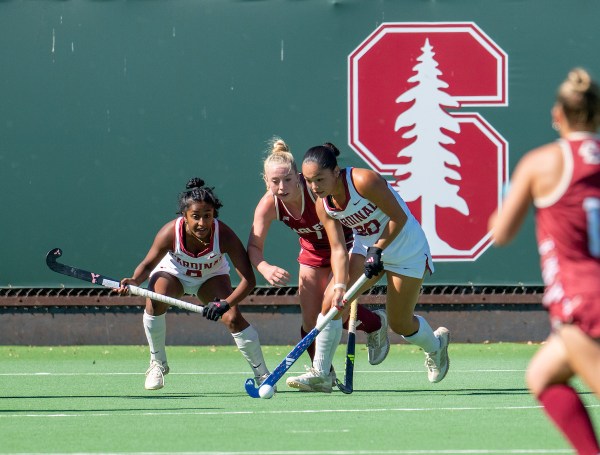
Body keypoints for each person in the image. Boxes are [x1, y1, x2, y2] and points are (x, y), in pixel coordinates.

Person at [489, 67, 600, 454]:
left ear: (557, 116)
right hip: (588, 298)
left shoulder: (543, 162)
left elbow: (500, 234)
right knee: (543, 375)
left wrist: (504, 203)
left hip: (583, 299)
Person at [285, 142, 450, 392]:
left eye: (319, 179)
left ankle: (436, 346)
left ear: (336, 171)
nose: (315, 187)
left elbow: (399, 217)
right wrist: (340, 285)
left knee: (401, 323)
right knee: (331, 301)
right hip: (366, 248)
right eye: (308, 181)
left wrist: (379, 248)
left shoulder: (363, 181)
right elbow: (339, 248)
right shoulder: (323, 205)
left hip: (406, 248)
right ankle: (321, 373)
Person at [247, 138, 390, 392]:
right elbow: (254, 247)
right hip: (312, 256)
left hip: (345, 248)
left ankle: (375, 324)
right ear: (265, 181)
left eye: (288, 179)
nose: (282, 187)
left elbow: (344, 235)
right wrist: (264, 267)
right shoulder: (269, 204)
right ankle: (321, 374)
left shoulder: (317, 190)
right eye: (275, 182)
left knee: (334, 311)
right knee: (311, 320)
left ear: (299, 176)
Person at [117, 177, 271, 390]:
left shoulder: (223, 235)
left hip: (211, 278)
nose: (202, 223)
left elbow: (249, 281)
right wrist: (134, 281)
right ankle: (158, 364)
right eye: (195, 217)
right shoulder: (170, 232)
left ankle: (263, 375)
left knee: (233, 318)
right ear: (184, 216)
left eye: (207, 216)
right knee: (154, 299)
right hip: (174, 275)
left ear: (214, 215)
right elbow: (147, 265)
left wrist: (225, 304)